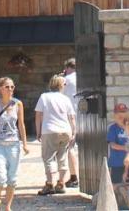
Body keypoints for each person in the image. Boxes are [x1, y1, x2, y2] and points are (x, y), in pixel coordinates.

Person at [0, 76, 29, 211]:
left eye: (12, 87)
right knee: (0, 175)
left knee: (12, 177)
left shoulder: (18, 104)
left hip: (14, 144)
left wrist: (25, 143)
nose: (10, 89)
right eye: (7, 87)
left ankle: (8, 207)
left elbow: (21, 124)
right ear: (0, 89)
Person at [34, 73, 76, 195]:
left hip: (50, 130)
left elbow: (38, 115)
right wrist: (73, 131)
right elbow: (71, 117)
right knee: (62, 158)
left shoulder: (44, 97)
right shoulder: (65, 99)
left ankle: (49, 184)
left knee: (48, 159)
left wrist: (38, 131)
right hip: (65, 130)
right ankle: (61, 183)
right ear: (60, 85)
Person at [61, 58, 79, 187]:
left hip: (71, 116)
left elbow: (57, 94)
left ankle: (74, 177)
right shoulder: (83, 78)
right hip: (86, 114)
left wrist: (62, 77)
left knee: (71, 147)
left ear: (67, 68)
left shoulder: (66, 80)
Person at [107, 102, 129, 201]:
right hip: (117, 162)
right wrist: (125, 148)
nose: (120, 115)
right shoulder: (113, 128)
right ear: (115, 114)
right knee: (114, 184)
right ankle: (108, 205)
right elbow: (112, 145)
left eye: (123, 112)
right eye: (118, 112)